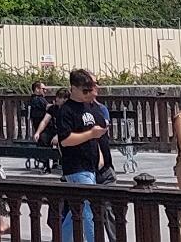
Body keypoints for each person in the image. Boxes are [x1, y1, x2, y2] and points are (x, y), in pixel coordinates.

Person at [49, 70, 110, 242]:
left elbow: (99, 128)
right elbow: (65, 140)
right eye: (85, 90)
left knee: (78, 208)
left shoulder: (89, 107)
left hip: (91, 165)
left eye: (90, 89)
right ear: (74, 88)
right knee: (90, 208)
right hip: (76, 167)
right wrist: (90, 134)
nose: (88, 93)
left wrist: (99, 152)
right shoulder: (66, 111)